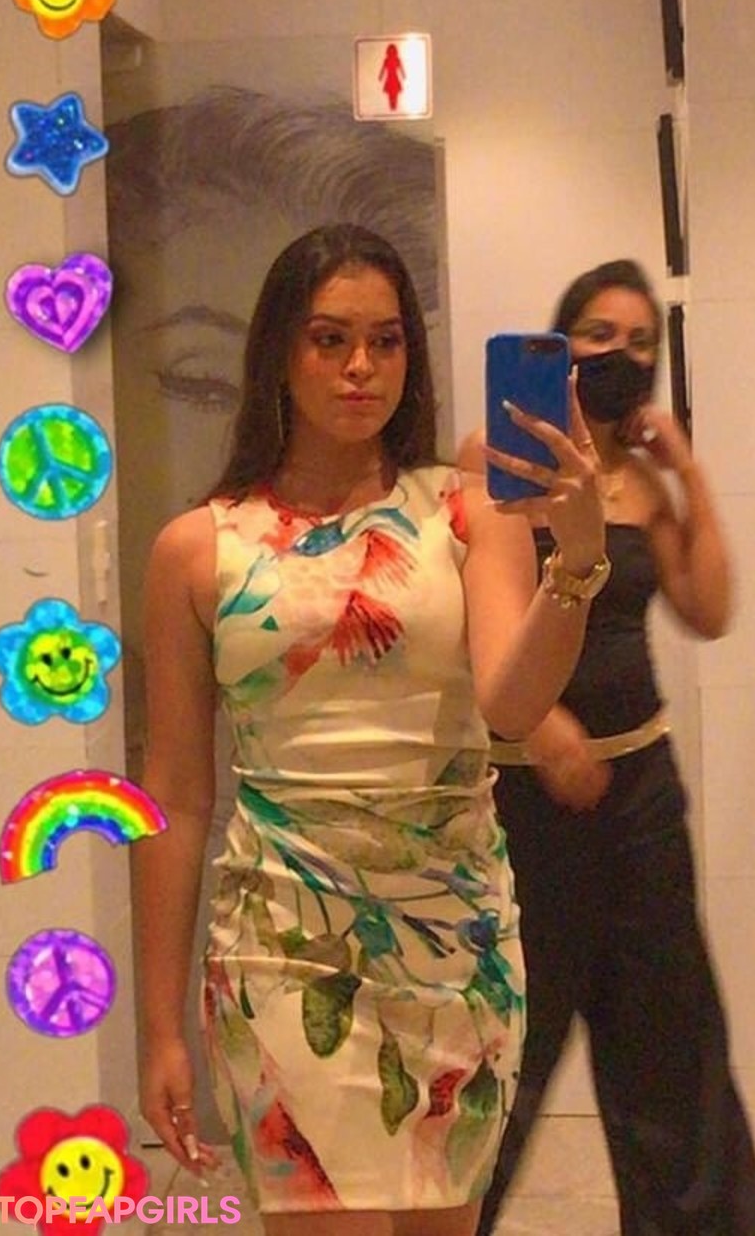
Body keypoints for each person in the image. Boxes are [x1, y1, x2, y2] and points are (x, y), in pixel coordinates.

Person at [131, 222, 612, 1236]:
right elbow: (173, 798)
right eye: (330, 339)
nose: (361, 366)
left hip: (457, 945)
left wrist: (575, 563)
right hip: (282, 948)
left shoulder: (469, 514)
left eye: (386, 341)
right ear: (280, 353)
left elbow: (512, 705)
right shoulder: (196, 550)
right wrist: (157, 1025)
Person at [460, 260, 755, 1235]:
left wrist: (686, 472)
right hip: (522, 801)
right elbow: (478, 619)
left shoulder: (641, 482)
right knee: (504, 1051)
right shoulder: (498, 461)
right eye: (600, 334)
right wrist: (542, 727)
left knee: (671, 1048)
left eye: (641, 341)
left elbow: (710, 609)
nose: (621, 355)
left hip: (640, 792)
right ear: (560, 344)